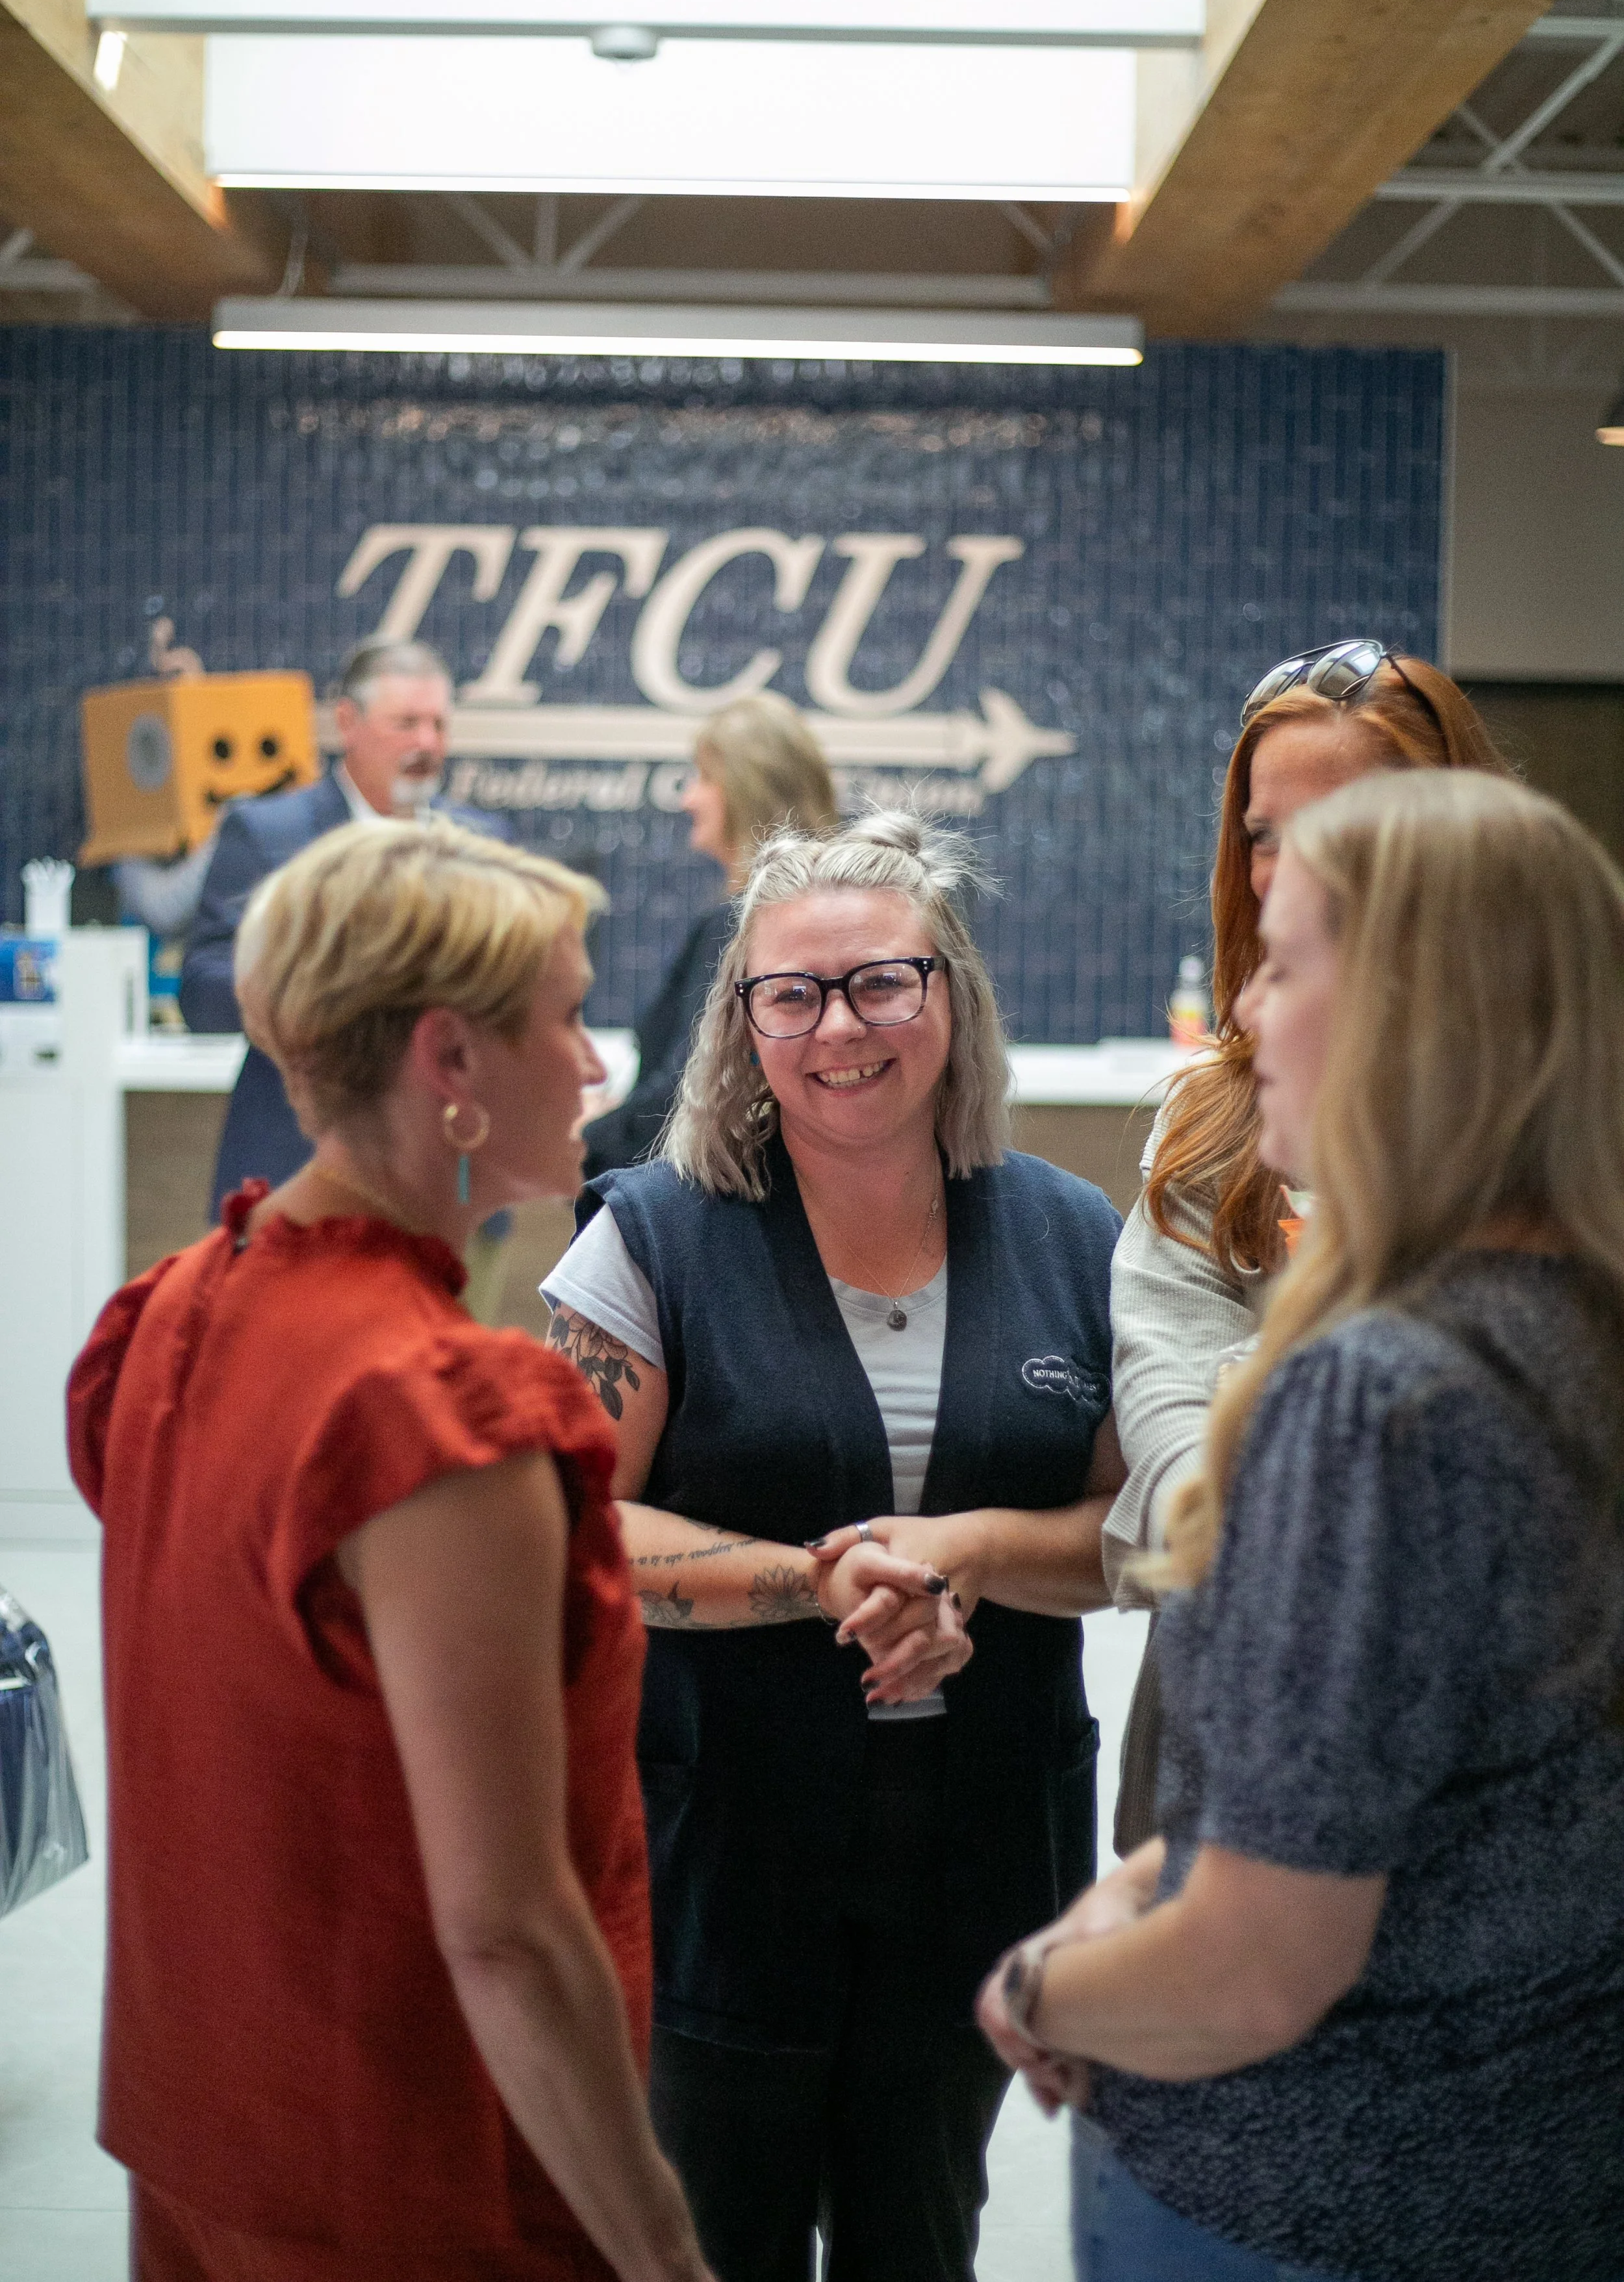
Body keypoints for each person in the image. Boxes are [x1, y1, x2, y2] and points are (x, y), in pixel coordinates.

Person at [980, 769, 1624, 2282]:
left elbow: (1261, 1962)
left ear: (1421, 1012)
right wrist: (1140, 1886)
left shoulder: (1380, 1397)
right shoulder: (1573, 1332)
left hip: (1305, 2199)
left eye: (1287, 961)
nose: (1247, 1017)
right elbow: (1413, 1780)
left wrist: (1036, 1989)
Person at [68, 818, 715, 2282]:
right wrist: (662, 2251)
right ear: (451, 1064)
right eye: (565, 1015)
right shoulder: (440, 1416)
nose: (598, 1063)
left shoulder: (165, 1316)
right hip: (424, 2176)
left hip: (207, 2130)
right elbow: (506, 1929)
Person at [542, 812, 1126, 2282]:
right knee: (715, 2230)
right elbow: (576, 1523)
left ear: (952, 993)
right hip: (724, 1842)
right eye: (791, 993)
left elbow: (1131, 1532)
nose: (837, 1025)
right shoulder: (649, 1241)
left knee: (920, 2230)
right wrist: (815, 1578)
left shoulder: (1073, 1235)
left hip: (981, 1842)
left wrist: (975, 1550)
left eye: (881, 980)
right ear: (742, 1021)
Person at [1104, 641, 1510, 1847]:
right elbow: (1166, 1412)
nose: (1285, 871)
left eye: (1340, 828)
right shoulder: (1220, 1116)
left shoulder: (1548, 1107)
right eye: (1262, 831)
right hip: (1231, 1724)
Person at [182, 637, 507, 1221]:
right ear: (346, 723)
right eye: (406, 723)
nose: (427, 743)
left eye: (438, 724)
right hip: (293, 1184)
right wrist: (325, 979)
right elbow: (203, 992)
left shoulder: (483, 844)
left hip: (451, 1191)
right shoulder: (268, 835)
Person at [584, 690, 840, 1174]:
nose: (689, 799)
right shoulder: (822, 914)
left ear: (748, 790)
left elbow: (693, 1087)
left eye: (704, 778)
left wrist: (588, 1141)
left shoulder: (745, 925)